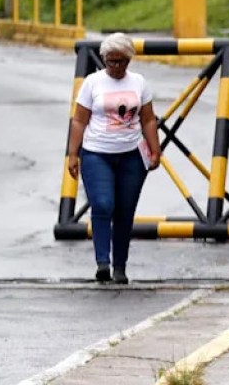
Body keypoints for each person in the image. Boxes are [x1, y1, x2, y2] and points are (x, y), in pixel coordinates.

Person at [66, 33, 160, 285]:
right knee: (103, 204)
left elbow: (148, 119)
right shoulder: (92, 83)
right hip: (97, 153)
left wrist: (155, 149)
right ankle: (102, 262)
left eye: (121, 61)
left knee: (125, 211)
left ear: (129, 59)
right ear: (104, 59)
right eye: (111, 61)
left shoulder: (139, 82)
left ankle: (120, 266)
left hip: (131, 156)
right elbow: (79, 120)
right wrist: (73, 154)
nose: (116, 67)